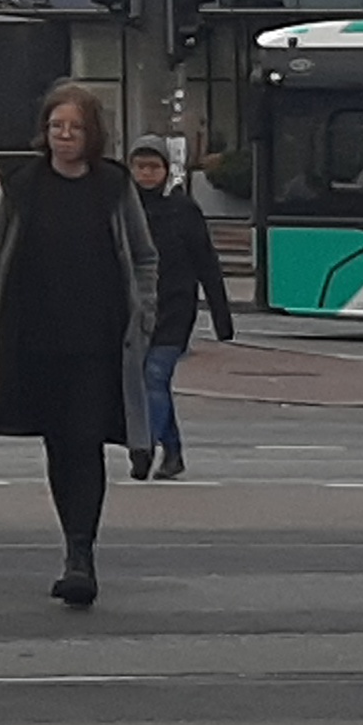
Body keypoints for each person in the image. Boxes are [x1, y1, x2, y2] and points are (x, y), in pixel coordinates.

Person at [0, 84, 163, 611]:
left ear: (91, 133)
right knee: (60, 444)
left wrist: (142, 317)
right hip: (39, 338)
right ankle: (71, 547)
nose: (64, 136)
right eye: (56, 126)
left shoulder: (113, 187)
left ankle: (82, 554)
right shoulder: (23, 185)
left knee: (85, 440)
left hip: (99, 341)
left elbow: (143, 257)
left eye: (74, 128)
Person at [124, 135, 238, 482]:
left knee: (156, 375)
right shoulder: (122, 210)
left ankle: (144, 448)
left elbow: (206, 262)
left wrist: (222, 319)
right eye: (140, 167)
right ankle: (172, 450)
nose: (146, 174)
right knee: (144, 381)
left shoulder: (183, 210)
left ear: (165, 170)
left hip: (175, 309)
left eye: (153, 167)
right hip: (133, 311)